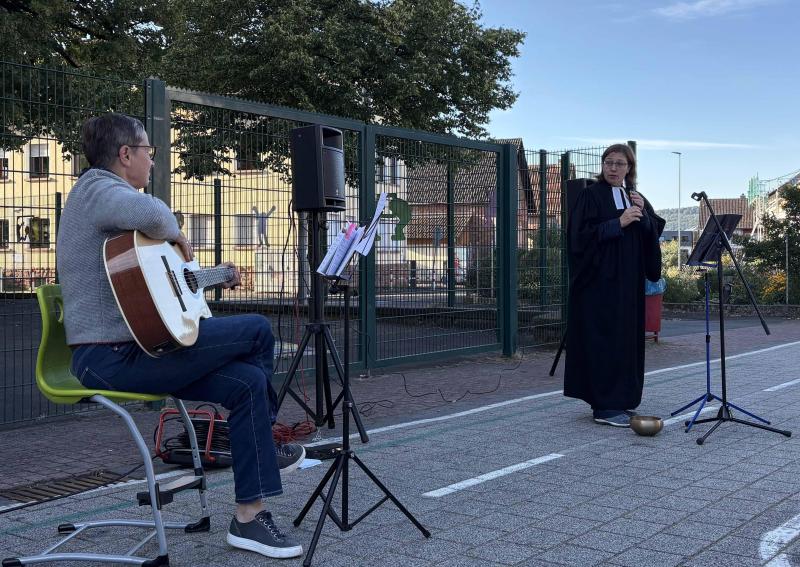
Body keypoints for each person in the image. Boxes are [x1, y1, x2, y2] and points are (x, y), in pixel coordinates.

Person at [56, 113, 305, 559]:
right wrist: (176, 232)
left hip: (139, 347)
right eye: (148, 150)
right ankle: (263, 441)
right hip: (110, 358)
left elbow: (157, 285)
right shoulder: (97, 189)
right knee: (258, 330)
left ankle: (249, 518)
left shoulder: (111, 211)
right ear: (125, 154)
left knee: (248, 384)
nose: (153, 159)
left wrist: (212, 275)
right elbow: (155, 213)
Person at [563, 143, 665, 427]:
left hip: (628, 286)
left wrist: (643, 216)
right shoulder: (589, 196)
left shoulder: (636, 197)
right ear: (602, 165)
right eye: (609, 162)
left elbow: (651, 234)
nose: (613, 168)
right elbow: (578, 239)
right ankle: (604, 407)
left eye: (620, 163)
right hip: (599, 286)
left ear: (629, 168)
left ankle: (620, 400)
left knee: (626, 341)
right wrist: (617, 223)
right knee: (604, 341)